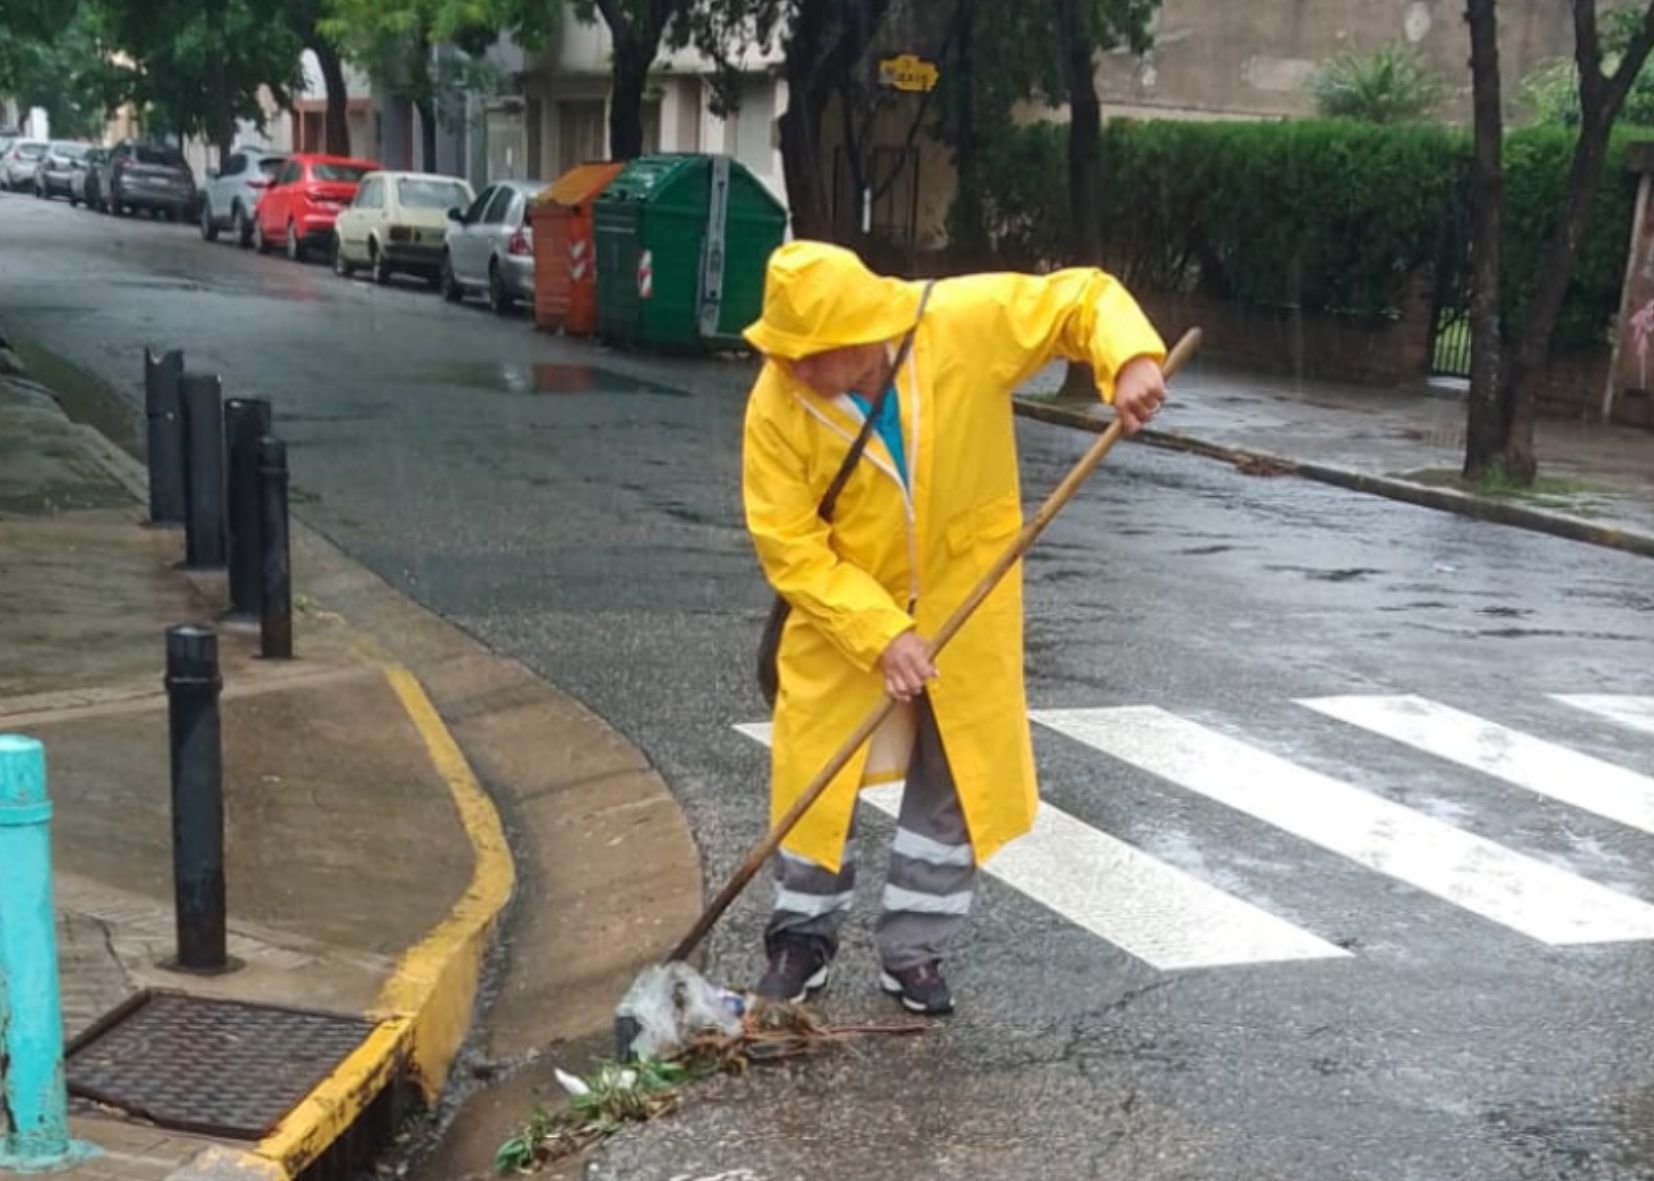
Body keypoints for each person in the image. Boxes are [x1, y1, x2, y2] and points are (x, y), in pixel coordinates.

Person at [740, 241, 1168, 1015]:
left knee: (954, 777)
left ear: (861, 334)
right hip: (845, 612)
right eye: (783, 352)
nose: (791, 370)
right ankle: (800, 936)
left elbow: (1081, 295)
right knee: (812, 774)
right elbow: (790, 547)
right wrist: (879, 633)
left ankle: (914, 949)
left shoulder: (957, 327)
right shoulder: (777, 402)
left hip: (964, 603)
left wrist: (1129, 358)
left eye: (809, 356)